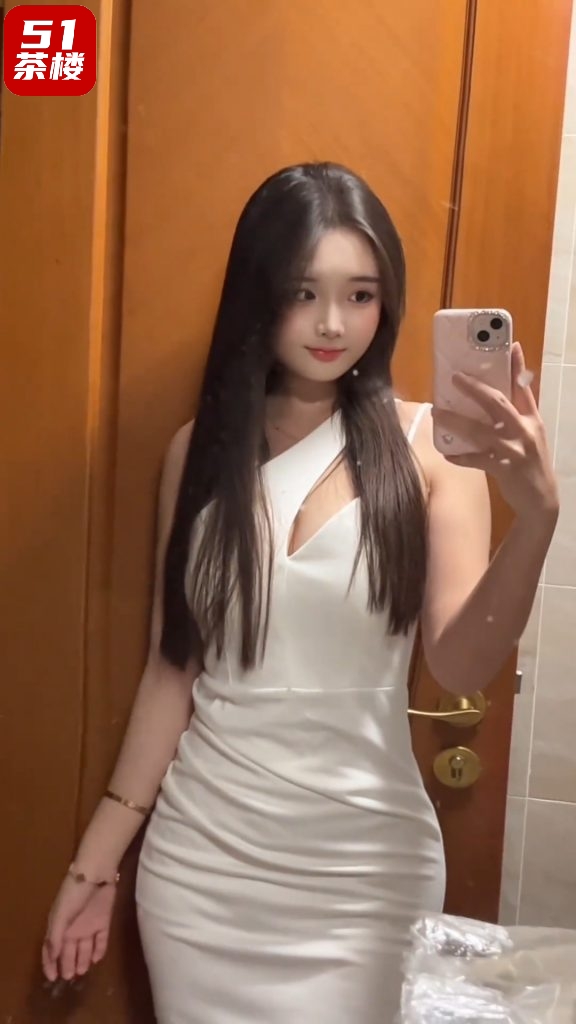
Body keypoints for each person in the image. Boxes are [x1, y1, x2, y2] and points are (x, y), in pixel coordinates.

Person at [42, 162, 559, 1023]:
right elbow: (172, 672)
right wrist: (96, 866)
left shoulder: (432, 451)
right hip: (203, 869)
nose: (331, 324)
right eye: (302, 292)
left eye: (360, 295)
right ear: (259, 296)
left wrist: (537, 517)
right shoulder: (197, 453)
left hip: (368, 873)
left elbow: (461, 663)